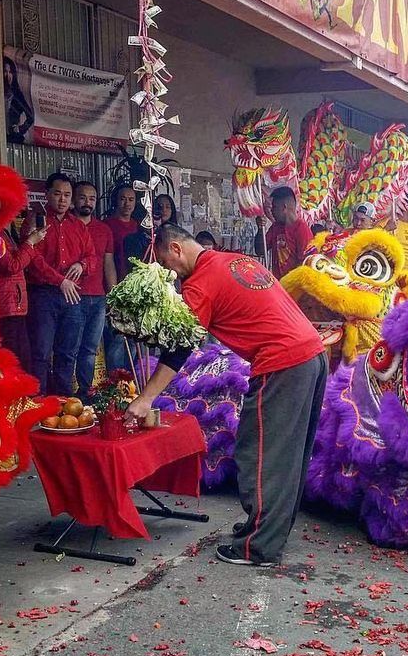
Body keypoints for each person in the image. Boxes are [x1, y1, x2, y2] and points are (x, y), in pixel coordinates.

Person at [127, 224, 328, 566]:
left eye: (166, 265)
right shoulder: (233, 261)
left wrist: (145, 398)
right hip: (312, 355)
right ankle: (266, 529)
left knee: (261, 454)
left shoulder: (201, 282)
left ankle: (259, 547)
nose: (170, 275)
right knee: (288, 455)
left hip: (283, 363)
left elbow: (179, 348)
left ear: (176, 249)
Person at [26, 172, 96, 396]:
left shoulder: (78, 226)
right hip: (43, 294)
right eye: (57, 194)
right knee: (41, 352)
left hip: (72, 296)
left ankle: (64, 403)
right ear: (47, 195)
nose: (63, 199)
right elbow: (33, 259)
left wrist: (83, 265)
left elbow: (93, 258)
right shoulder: (35, 221)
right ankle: (38, 403)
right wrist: (60, 280)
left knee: (67, 353)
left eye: (67, 195)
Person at [73, 181, 117, 395]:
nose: (87, 202)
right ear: (74, 199)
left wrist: (115, 294)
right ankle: (63, 395)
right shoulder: (68, 226)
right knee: (68, 349)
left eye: (92, 198)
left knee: (90, 350)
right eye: (82, 197)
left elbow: (108, 263)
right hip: (72, 296)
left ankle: (84, 393)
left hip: (98, 297)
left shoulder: (104, 230)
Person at [0, 222, 47, 373]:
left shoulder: (7, 232)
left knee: (23, 358)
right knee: (13, 358)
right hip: (6, 308)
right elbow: (11, 266)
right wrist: (30, 242)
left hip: (16, 305)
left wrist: (29, 232)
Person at [255, 187, 313, 279]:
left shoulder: (301, 229)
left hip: (294, 286)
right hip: (278, 284)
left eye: (274, 207)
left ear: (284, 207)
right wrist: (260, 229)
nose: (271, 211)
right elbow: (260, 251)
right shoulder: (275, 227)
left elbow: (306, 263)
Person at [105, 184, 141, 280]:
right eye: (123, 199)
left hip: (134, 279)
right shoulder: (106, 225)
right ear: (115, 201)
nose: (127, 204)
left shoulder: (138, 226)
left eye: (131, 199)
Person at [3, 57, 34, 144]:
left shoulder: (16, 95)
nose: (8, 75)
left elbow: (30, 117)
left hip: (11, 140)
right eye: (5, 71)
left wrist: (20, 129)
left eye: (10, 72)